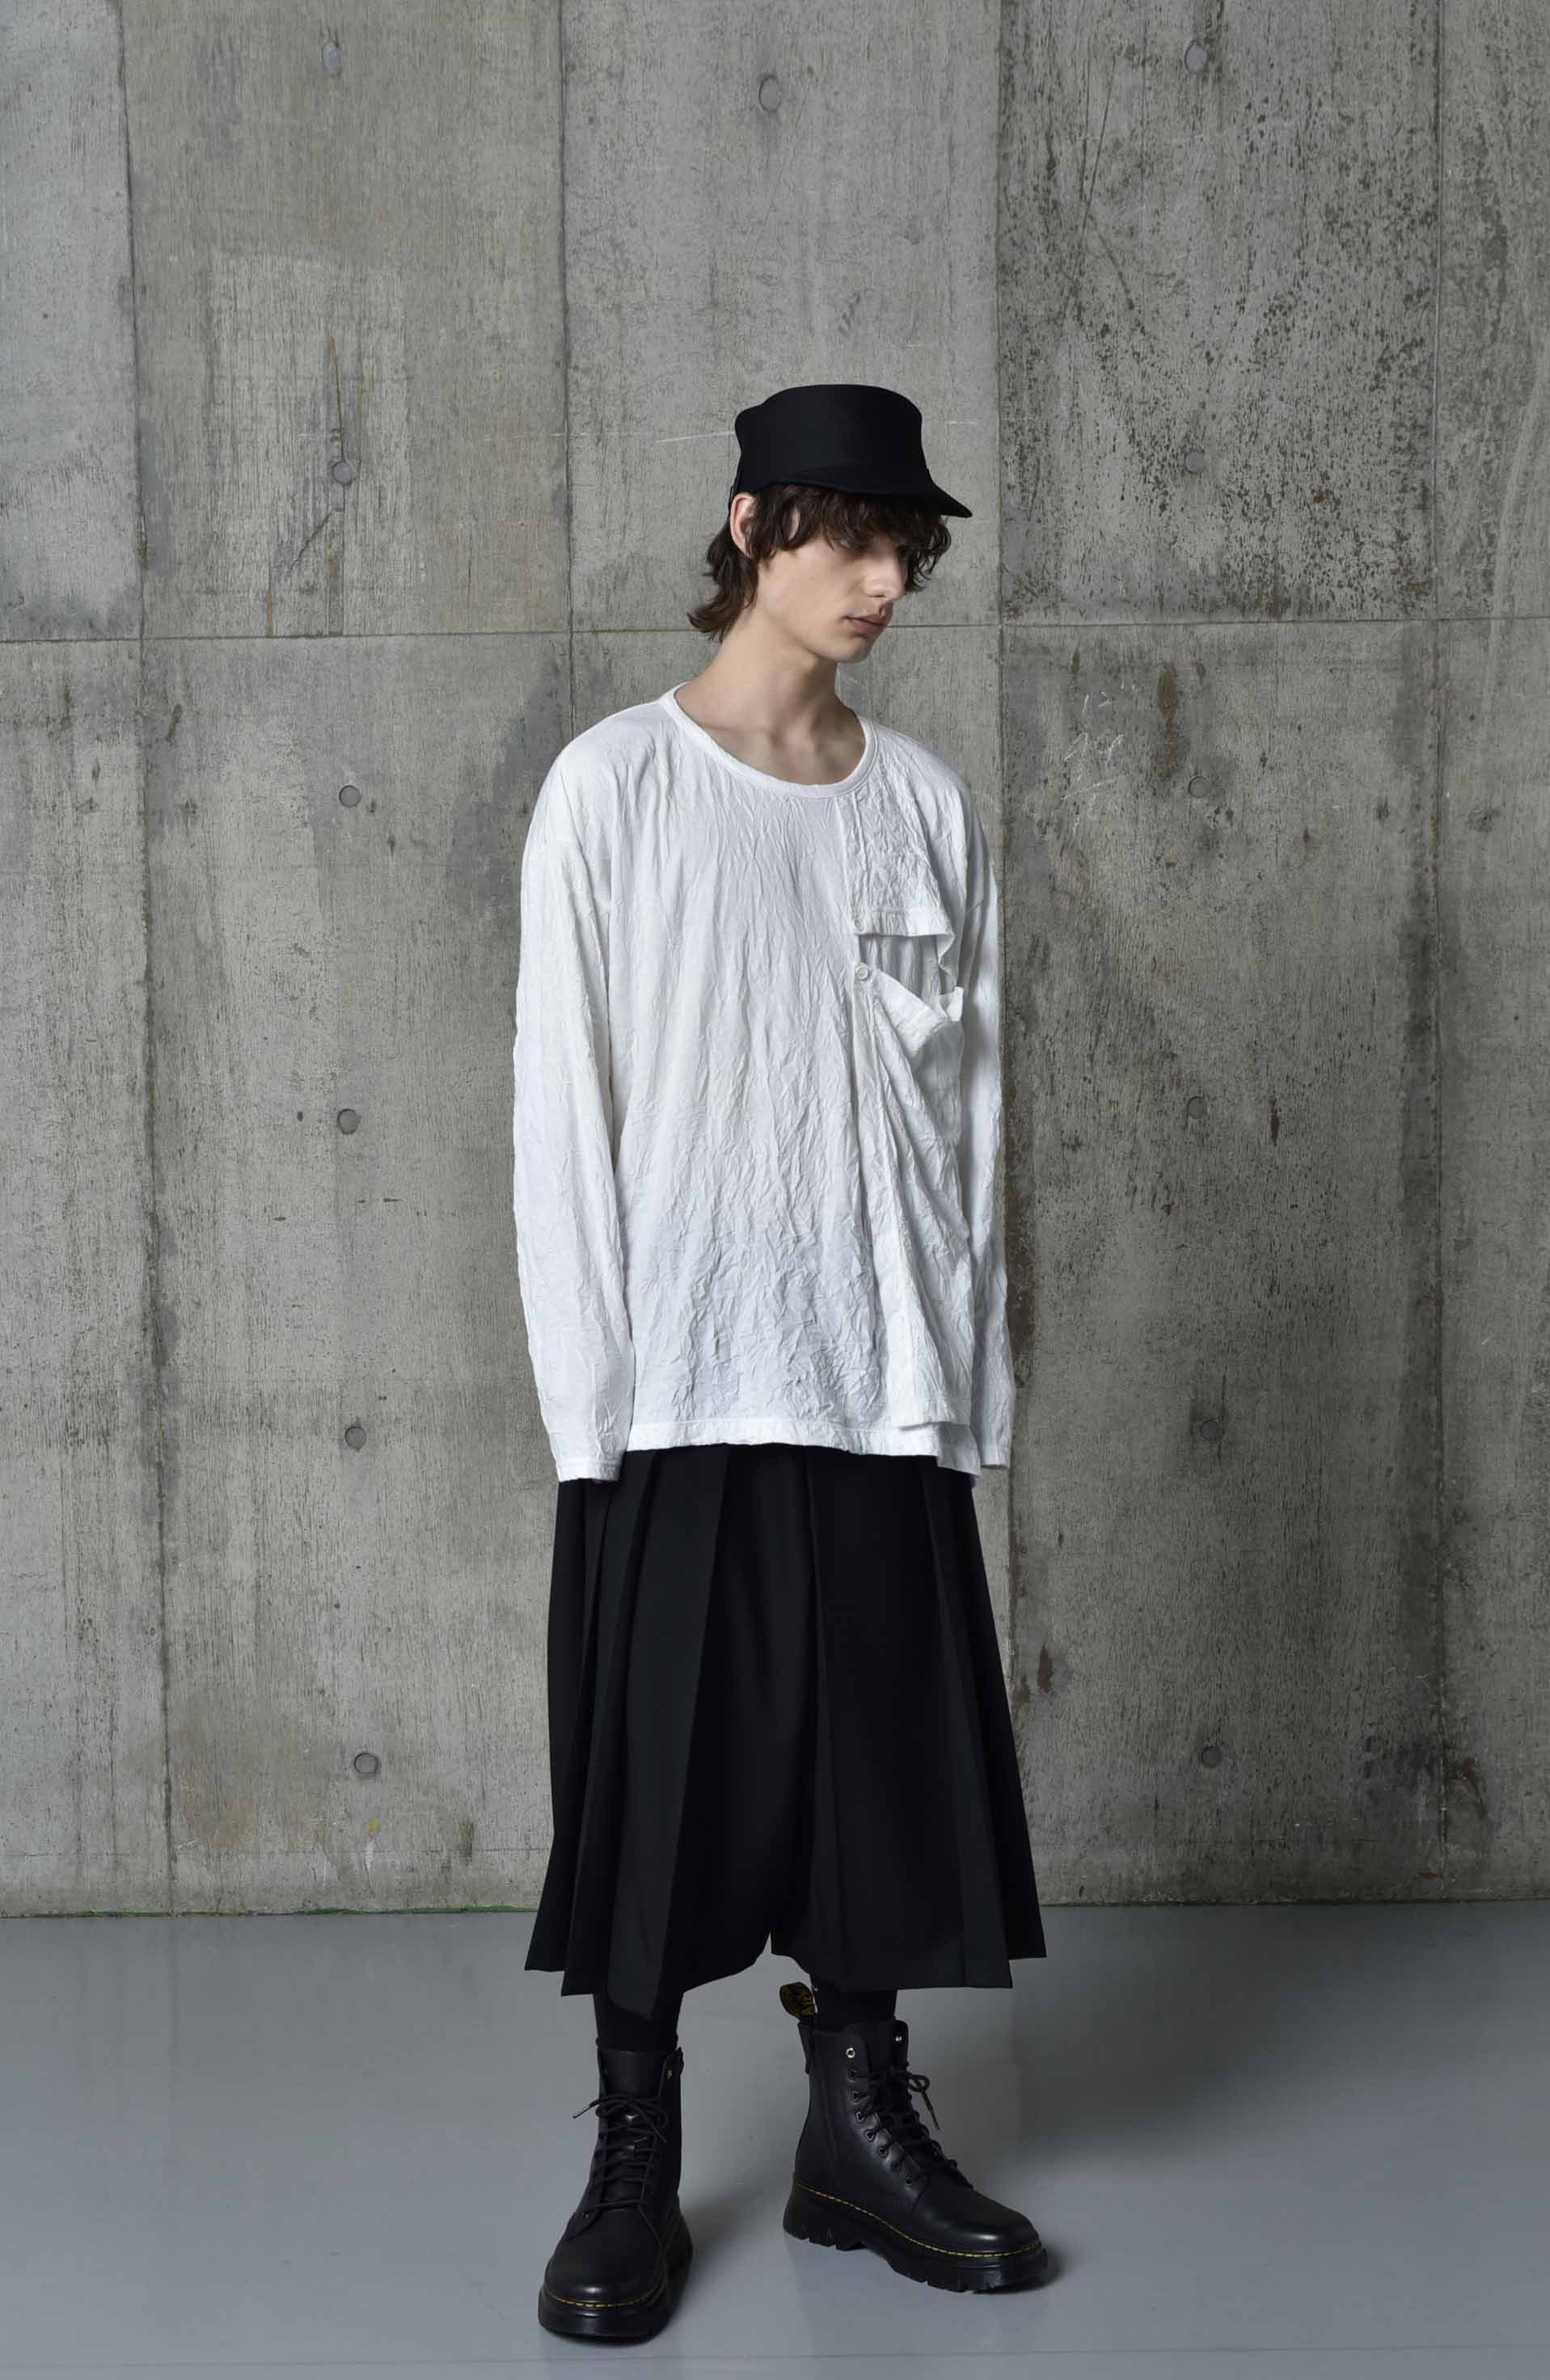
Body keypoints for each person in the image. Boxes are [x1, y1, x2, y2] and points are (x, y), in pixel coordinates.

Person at [512, 383, 1050, 2344]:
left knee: (878, 1769)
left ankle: (856, 2127)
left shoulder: (922, 806)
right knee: (658, 1776)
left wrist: (963, 1373)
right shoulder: (613, 788)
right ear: (750, 524)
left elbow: (967, 1119)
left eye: (909, 546)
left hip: (874, 1367)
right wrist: (591, 1404)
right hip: (678, 1372)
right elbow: (559, 1110)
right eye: (851, 535)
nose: (883, 578)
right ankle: (633, 2148)